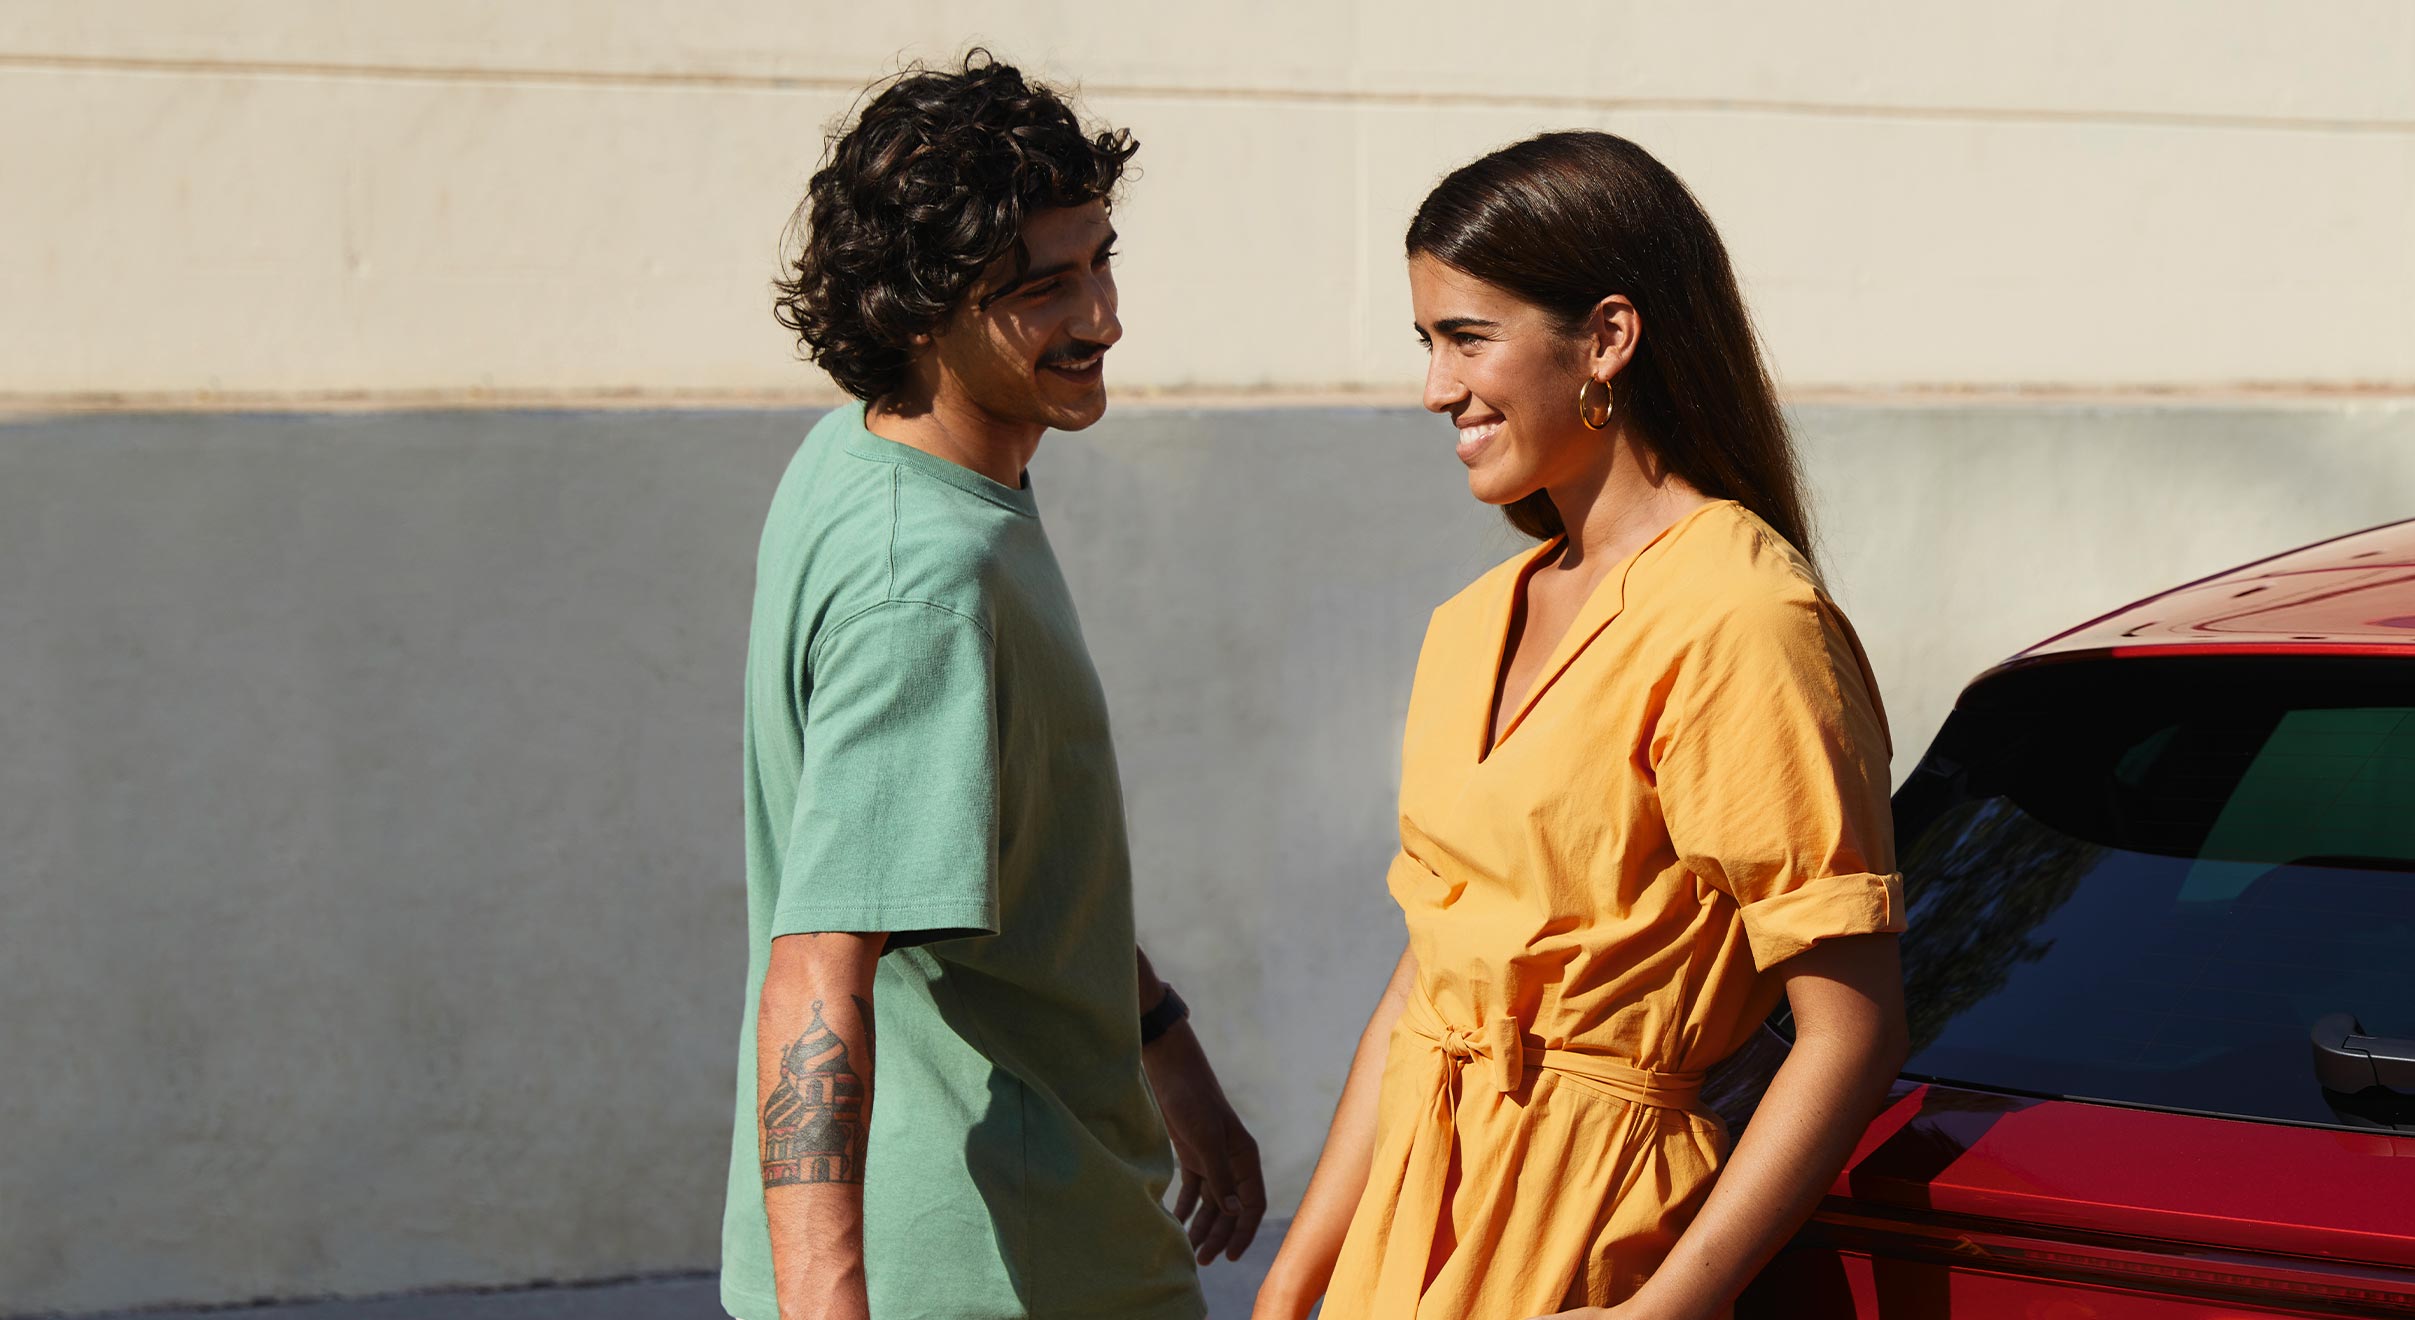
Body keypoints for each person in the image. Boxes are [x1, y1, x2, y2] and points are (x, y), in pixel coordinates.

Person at [1254, 131, 1910, 1320]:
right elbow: (1424, 987)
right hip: (1402, 1236)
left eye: (1467, 337)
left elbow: (1851, 1025)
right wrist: (1294, 1280)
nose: (1434, 387)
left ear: (1607, 337)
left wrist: (1672, 1306)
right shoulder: (1469, 622)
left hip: (1596, 1237)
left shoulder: (1740, 617)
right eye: (1426, 340)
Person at [722, 52, 1263, 1320]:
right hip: (997, 1267)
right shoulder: (926, 581)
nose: (1102, 317)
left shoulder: (863, 455)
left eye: (1100, 260)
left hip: (1008, 1226)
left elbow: (1010, 843)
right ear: (923, 311)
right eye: (1042, 290)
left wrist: (1168, 1052)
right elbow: (817, 966)